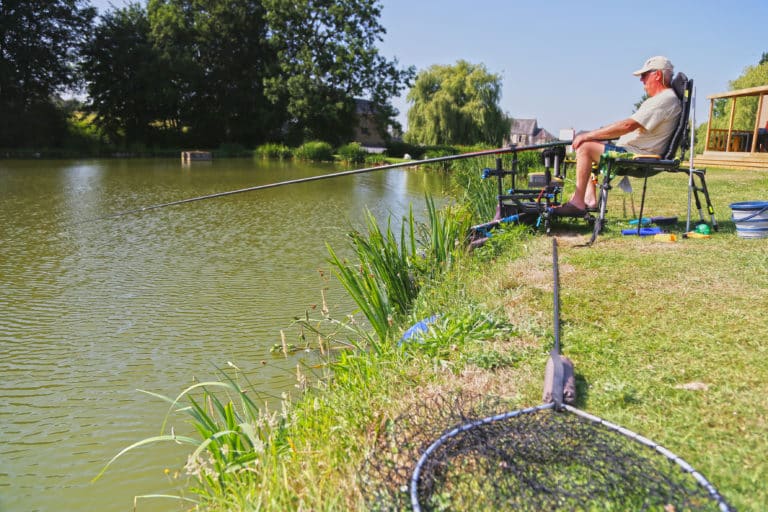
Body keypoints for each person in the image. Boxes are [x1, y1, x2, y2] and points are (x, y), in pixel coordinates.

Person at [553, 56, 682, 216]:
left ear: (657, 75)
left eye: (644, 75)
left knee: (585, 147)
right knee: (592, 142)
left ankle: (578, 203)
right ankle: (590, 198)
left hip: (640, 156)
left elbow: (628, 125)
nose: (642, 80)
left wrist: (586, 136)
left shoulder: (665, 99)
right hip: (635, 150)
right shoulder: (662, 99)